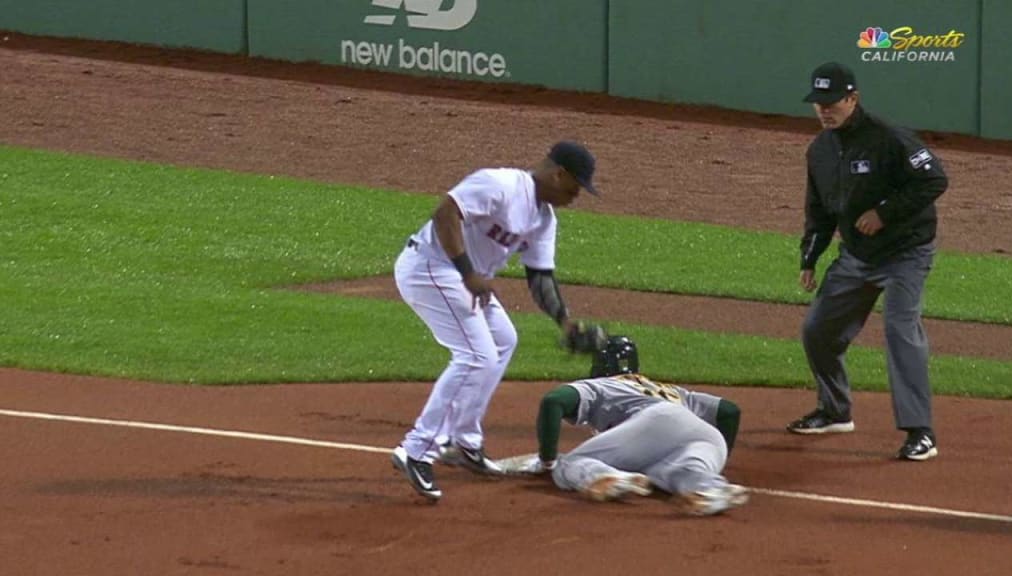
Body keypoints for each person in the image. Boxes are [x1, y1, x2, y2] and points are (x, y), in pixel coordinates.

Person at [390, 141, 601, 501]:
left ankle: (464, 441)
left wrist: (564, 321)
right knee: (476, 355)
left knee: (504, 340)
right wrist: (468, 273)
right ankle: (417, 450)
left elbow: (540, 277)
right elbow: (445, 214)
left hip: (462, 279)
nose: (577, 195)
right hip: (430, 268)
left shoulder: (544, 219)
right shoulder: (500, 184)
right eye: (575, 186)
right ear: (558, 173)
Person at [787, 62, 948, 462]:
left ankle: (920, 432)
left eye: (832, 102)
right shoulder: (820, 151)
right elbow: (820, 211)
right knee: (818, 330)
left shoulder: (889, 138)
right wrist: (810, 257)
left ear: (852, 99)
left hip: (906, 252)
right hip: (857, 256)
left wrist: (885, 212)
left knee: (899, 329)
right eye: (818, 103)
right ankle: (834, 410)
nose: (824, 110)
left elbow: (934, 179)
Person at [517, 336, 749, 516]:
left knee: (569, 463)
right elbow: (729, 411)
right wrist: (718, 460)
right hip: (708, 436)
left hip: (657, 419)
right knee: (674, 473)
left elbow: (553, 401)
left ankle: (607, 476)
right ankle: (714, 488)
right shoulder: (670, 389)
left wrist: (547, 460)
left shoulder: (601, 384)